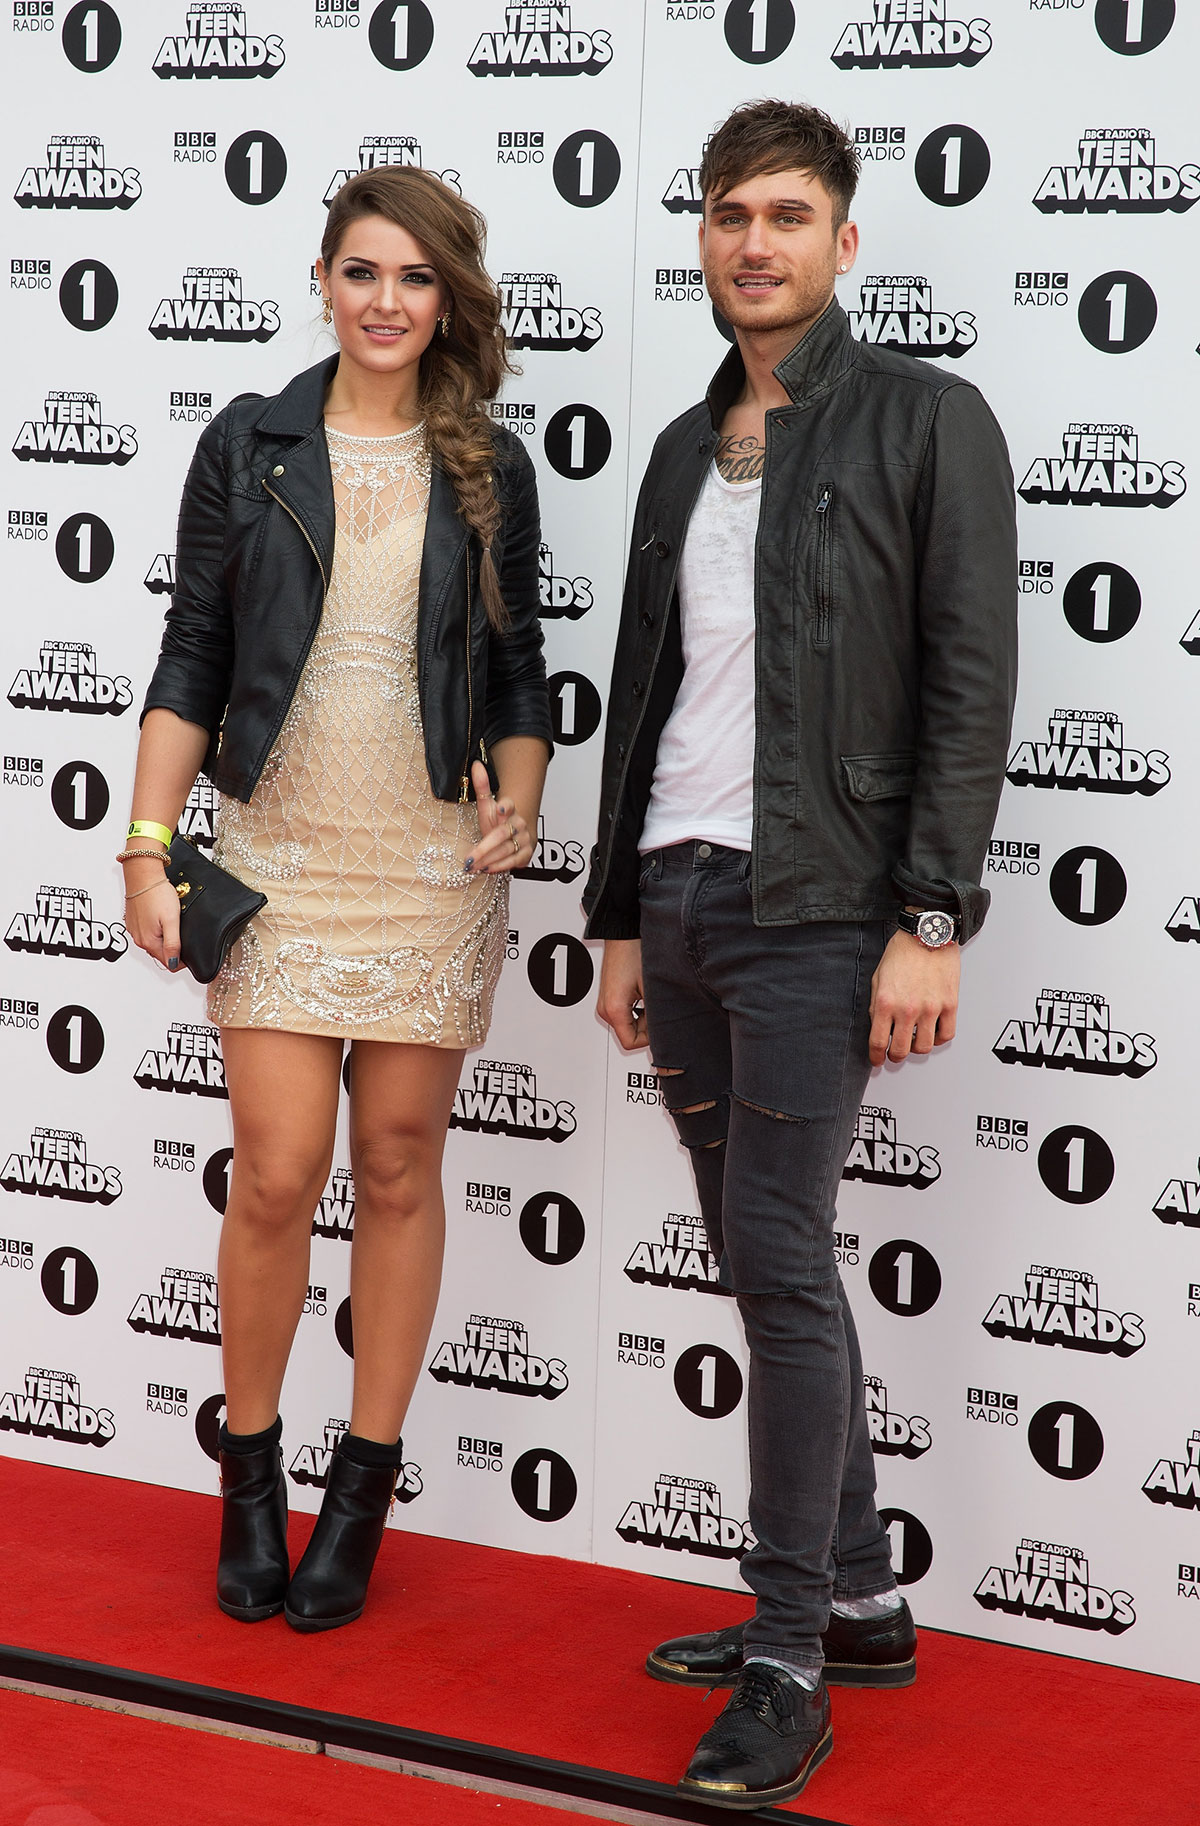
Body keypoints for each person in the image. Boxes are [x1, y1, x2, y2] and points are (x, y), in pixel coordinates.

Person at [584, 100, 1017, 1807]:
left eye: (784, 215)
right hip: (683, 898)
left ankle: (782, 1659)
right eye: (722, 214)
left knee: (775, 1252)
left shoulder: (929, 421)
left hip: (825, 908)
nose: (749, 242)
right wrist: (617, 905)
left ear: (845, 240)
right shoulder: (684, 451)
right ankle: (861, 1597)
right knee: (763, 1252)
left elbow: (970, 687)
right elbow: (647, 692)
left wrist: (931, 914)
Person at [122, 166, 551, 1633]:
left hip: (430, 866)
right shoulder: (250, 444)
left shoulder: (490, 464)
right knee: (280, 1166)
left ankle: (361, 1484)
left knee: (405, 1159)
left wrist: (525, 792)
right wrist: (143, 842)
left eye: (416, 278)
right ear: (323, 281)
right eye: (363, 272)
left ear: (448, 300)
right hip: (281, 860)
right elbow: (193, 648)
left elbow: (514, 671)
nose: (387, 302)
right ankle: (249, 1470)